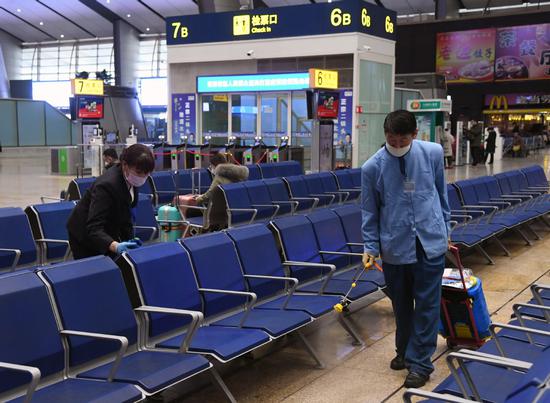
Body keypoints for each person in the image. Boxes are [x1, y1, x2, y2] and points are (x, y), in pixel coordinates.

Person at [361, 110, 450, 388]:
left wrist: (445, 230)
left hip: (429, 242)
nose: (397, 144)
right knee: (401, 305)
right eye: (391, 139)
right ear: (385, 135)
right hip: (395, 245)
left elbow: (441, 194)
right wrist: (370, 246)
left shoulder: (433, 153)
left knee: (427, 304)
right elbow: (369, 210)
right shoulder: (372, 167)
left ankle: (421, 363)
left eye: (402, 140)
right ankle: (405, 351)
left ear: (414, 135)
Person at [67, 144, 155, 259]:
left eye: (147, 173)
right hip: (84, 235)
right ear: (125, 165)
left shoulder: (131, 178)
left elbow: (125, 213)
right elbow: (94, 228)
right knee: (98, 271)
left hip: (107, 228)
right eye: (139, 172)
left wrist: (129, 240)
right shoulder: (106, 186)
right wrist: (115, 246)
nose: (143, 177)